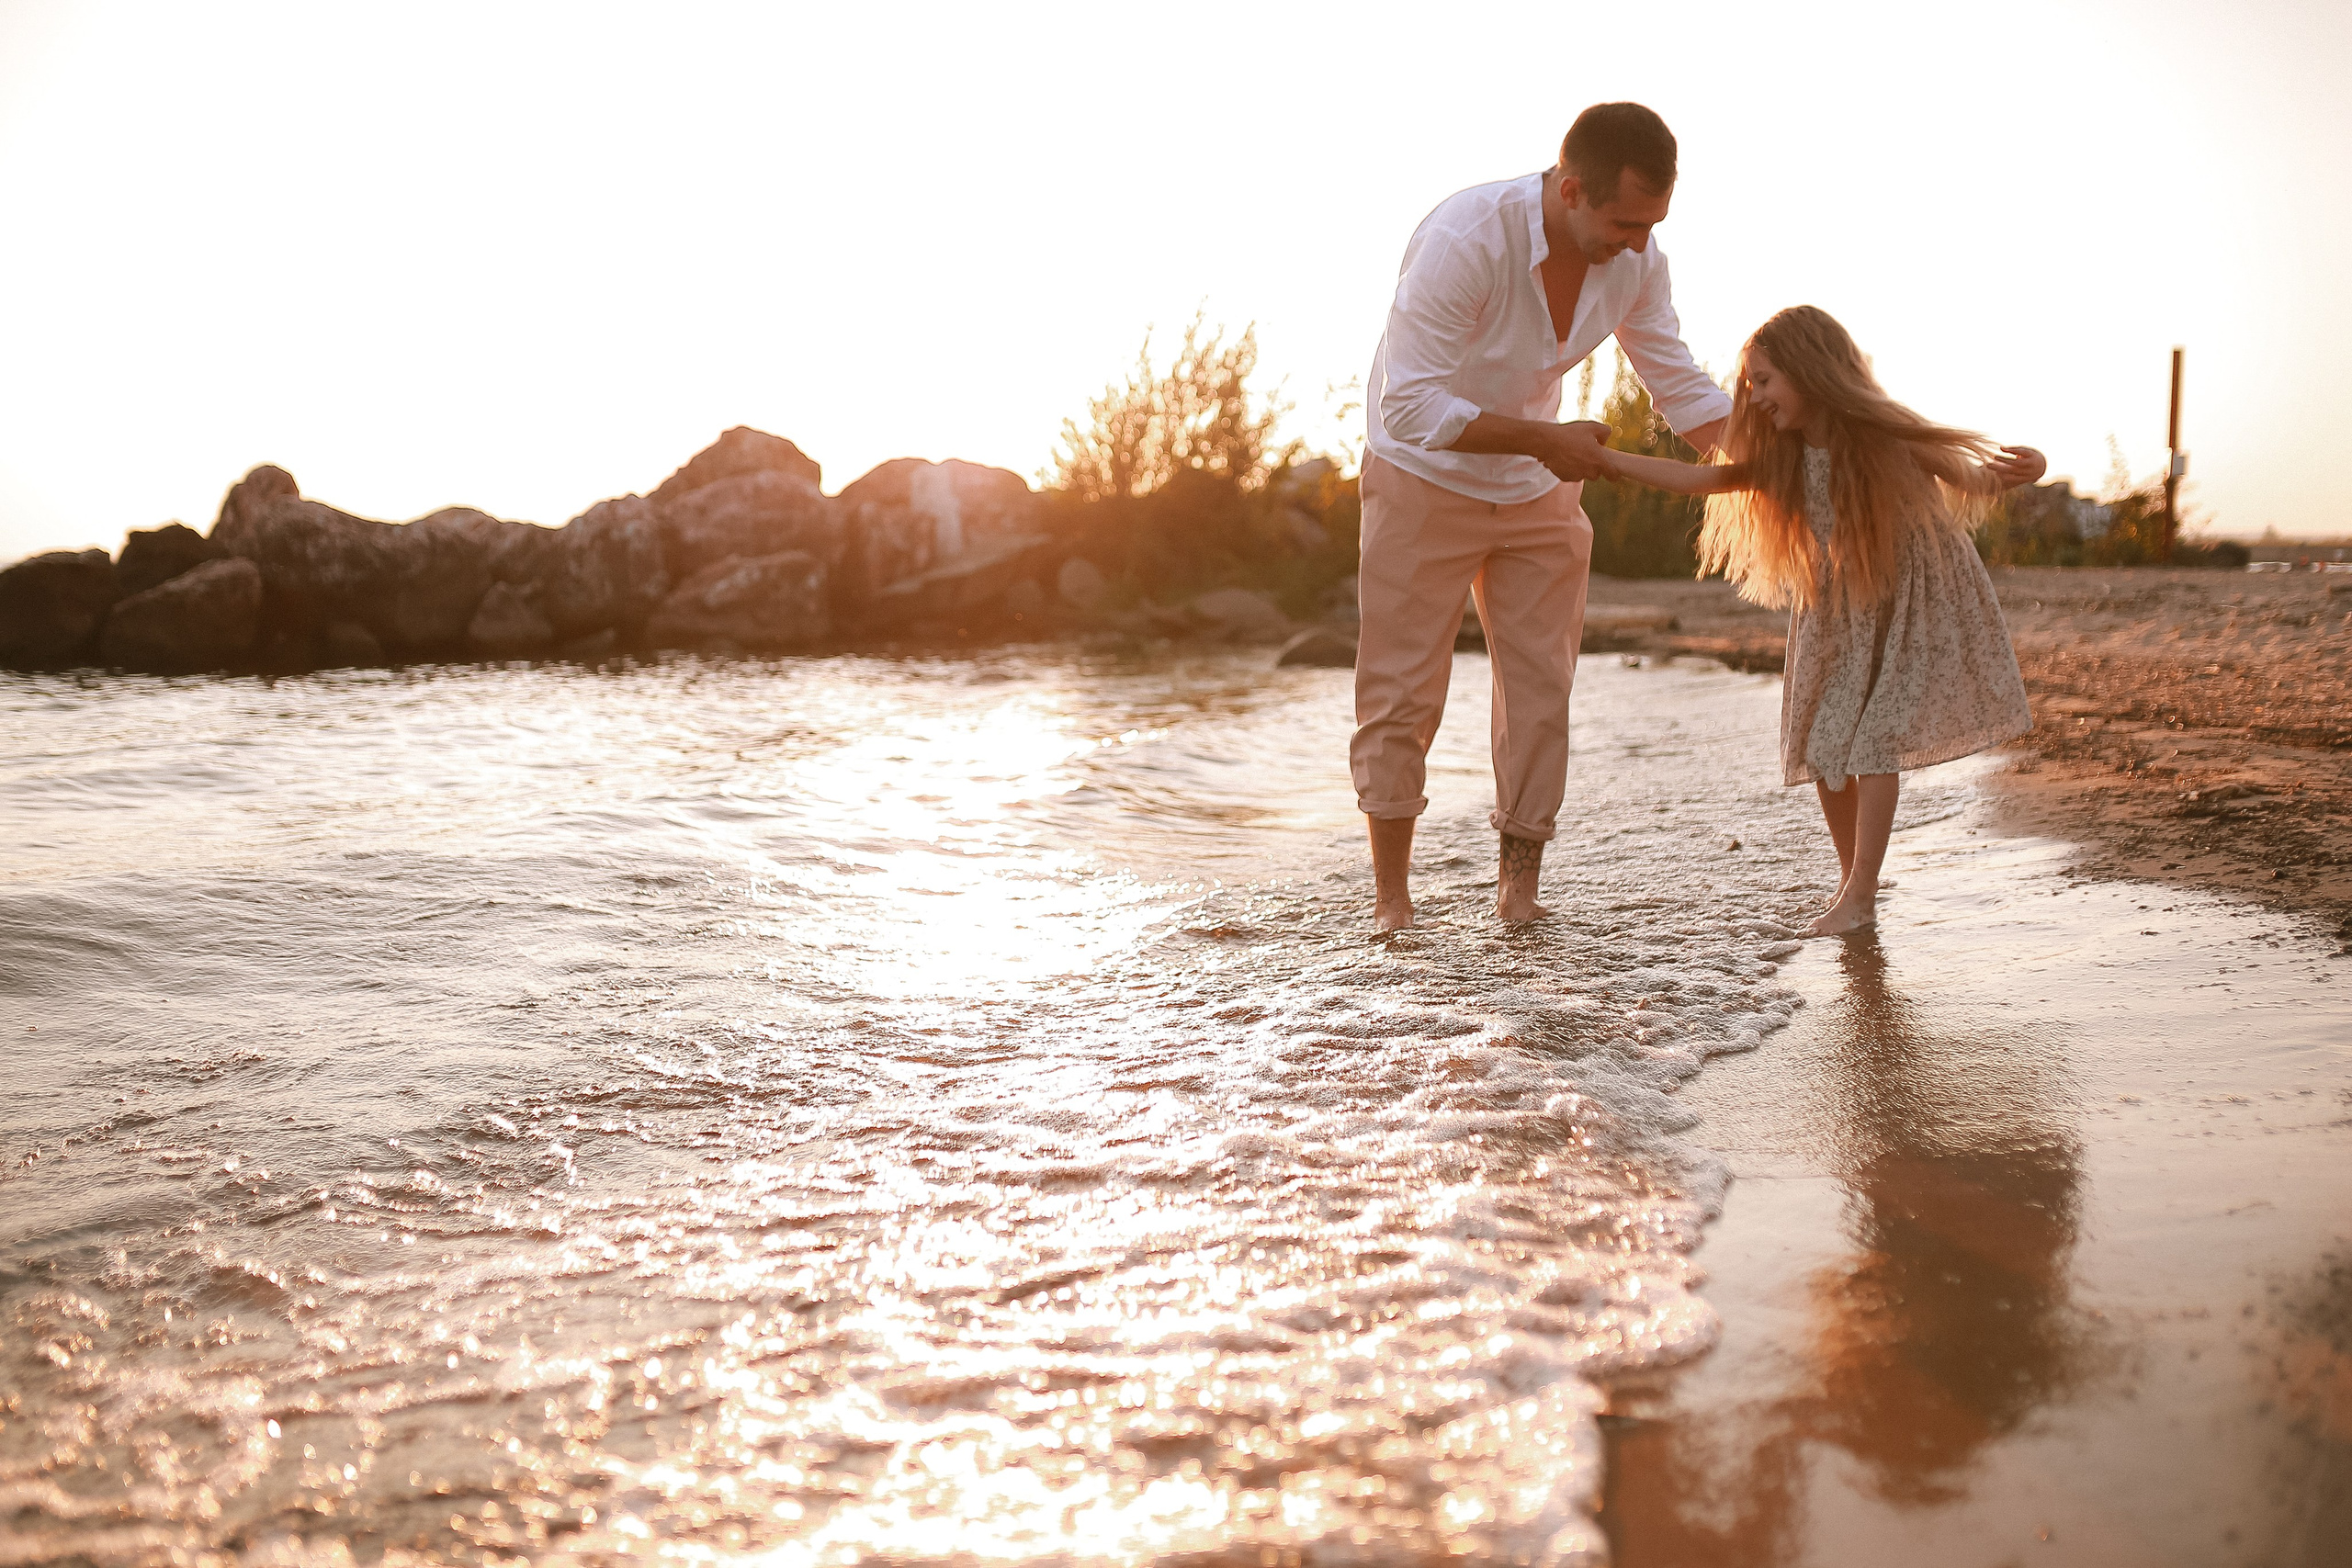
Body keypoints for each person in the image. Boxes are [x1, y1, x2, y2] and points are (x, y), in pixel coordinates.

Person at [1356, 103, 1732, 932]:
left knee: (1541, 693)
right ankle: (1393, 904)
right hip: (1421, 473)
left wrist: (1772, 454)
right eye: (1625, 221)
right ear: (1571, 190)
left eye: (1653, 224)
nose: (1638, 243)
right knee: (1401, 690)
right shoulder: (1466, 240)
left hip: (1539, 487)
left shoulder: (1638, 258)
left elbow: (1677, 383)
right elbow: (1410, 403)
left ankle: (1517, 897)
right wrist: (1548, 440)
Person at [1596, 304, 2042, 935]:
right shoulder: (1783, 457)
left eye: (1766, 380)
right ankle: (1853, 886)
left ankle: (1860, 894)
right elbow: (1697, 481)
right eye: (1750, 382)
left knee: (1874, 740)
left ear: (1812, 371)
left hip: (1911, 603)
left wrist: (2035, 468)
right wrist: (1608, 464)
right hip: (1838, 611)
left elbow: (1976, 477)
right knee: (1827, 746)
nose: (1754, 396)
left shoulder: (1887, 435)